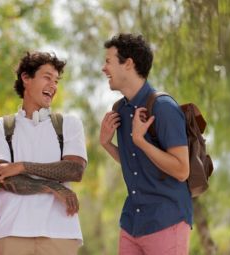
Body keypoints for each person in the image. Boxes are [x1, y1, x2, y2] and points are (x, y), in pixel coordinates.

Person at [0, 51, 88, 255]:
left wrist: (22, 166)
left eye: (56, 81)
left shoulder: (69, 124)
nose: (53, 86)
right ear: (26, 78)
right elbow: (0, 179)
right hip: (11, 232)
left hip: (61, 233)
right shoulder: (0, 126)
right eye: (47, 77)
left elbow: (74, 170)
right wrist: (54, 188)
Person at [98, 34, 193, 255]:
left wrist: (140, 141)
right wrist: (107, 144)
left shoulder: (163, 107)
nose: (104, 68)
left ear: (128, 63)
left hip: (167, 220)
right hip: (132, 223)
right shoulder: (119, 109)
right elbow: (135, 163)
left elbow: (181, 170)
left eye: (109, 61)